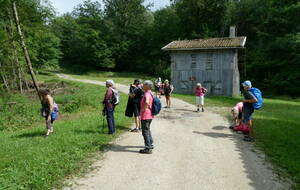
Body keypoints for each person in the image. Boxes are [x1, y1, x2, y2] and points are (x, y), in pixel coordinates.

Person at [140, 80, 154, 154]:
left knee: (145, 131)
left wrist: (143, 109)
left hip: (146, 115)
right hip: (150, 115)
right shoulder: (150, 93)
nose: (142, 86)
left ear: (147, 86)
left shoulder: (147, 94)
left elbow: (147, 102)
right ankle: (150, 144)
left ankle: (148, 148)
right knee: (147, 129)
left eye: (144, 85)